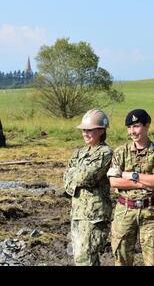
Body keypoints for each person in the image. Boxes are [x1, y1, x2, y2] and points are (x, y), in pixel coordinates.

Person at [107, 109, 154, 266]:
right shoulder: (120, 152)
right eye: (129, 127)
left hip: (151, 212)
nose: (132, 131)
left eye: (137, 126)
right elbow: (114, 182)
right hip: (125, 211)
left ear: (147, 126)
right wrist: (144, 183)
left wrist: (131, 175)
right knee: (122, 258)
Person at [63, 109, 113, 266]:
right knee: (81, 258)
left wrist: (75, 176)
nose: (85, 133)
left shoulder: (105, 153)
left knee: (86, 258)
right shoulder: (80, 153)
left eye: (90, 130)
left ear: (101, 130)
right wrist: (74, 178)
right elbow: (66, 177)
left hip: (94, 215)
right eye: (84, 130)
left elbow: (86, 176)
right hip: (77, 212)